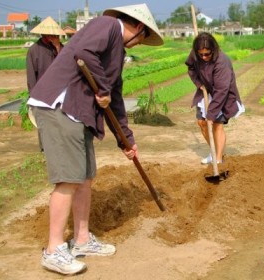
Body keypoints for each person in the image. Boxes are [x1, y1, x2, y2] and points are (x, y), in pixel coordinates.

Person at [27, 4, 163, 275]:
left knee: (85, 178)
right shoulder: (107, 26)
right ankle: (53, 250)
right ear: (138, 27)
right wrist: (102, 87)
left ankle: (81, 239)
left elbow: (114, 99)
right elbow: (83, 52)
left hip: (80, 115)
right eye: (143, 39)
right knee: (68, 178)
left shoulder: (117, 53)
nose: (140, 44)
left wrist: (126, 139)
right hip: (60, 107)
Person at [185, 32, 245, 165]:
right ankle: (214, 151)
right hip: (206, 91)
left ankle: (218, 159)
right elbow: (191, 67)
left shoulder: (222, 61)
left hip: (223, 95)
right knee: (202, 123)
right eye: (201, 55)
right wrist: (199, 84)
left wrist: (211, 114)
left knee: (217, 125)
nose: (204, 57)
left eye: (207, 54)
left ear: (214, 49)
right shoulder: (196, 54)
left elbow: (221, 90)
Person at [26, 16, 65, 151]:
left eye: (55, 35)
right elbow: (31, 76)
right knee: (44, 121)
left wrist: (57, 46)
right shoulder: (34, 51)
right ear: (44, 34)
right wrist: (33, 96)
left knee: (60, 120)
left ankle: (60, 147)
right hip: (41, 92)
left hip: (60, 91)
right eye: (51, 35)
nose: (53, 37)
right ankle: (45, 148)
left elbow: (65, 65)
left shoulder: (61, 48)